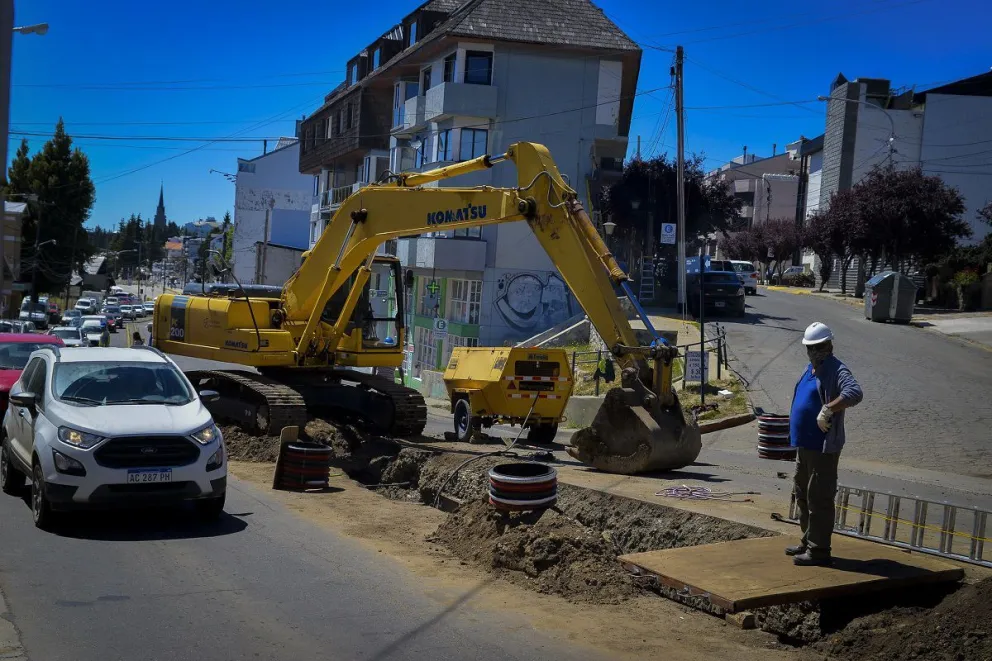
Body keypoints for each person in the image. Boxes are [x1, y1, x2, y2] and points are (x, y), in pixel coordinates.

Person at [787, 322, 863, 566]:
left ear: (829, 346)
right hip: (805, 446)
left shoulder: (836, 369)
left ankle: (819, 550)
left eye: (818, 347)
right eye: (810, 347)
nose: (814, 351)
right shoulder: (810, 369)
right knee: (802, 494)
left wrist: (829, 409)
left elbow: (854, 393)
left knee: (819, 498)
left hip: (822, 448)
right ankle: (808, 540)